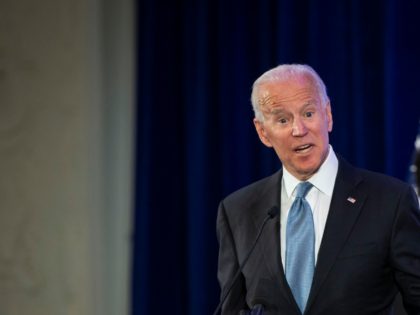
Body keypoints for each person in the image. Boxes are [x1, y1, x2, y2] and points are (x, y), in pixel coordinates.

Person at [216, 64, 420, 315]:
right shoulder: (238, 211)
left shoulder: (391, 201)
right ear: (263, 132)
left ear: (328, 115)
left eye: (309, 113)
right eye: (282, 119)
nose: (299, 130)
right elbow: (231, 308)